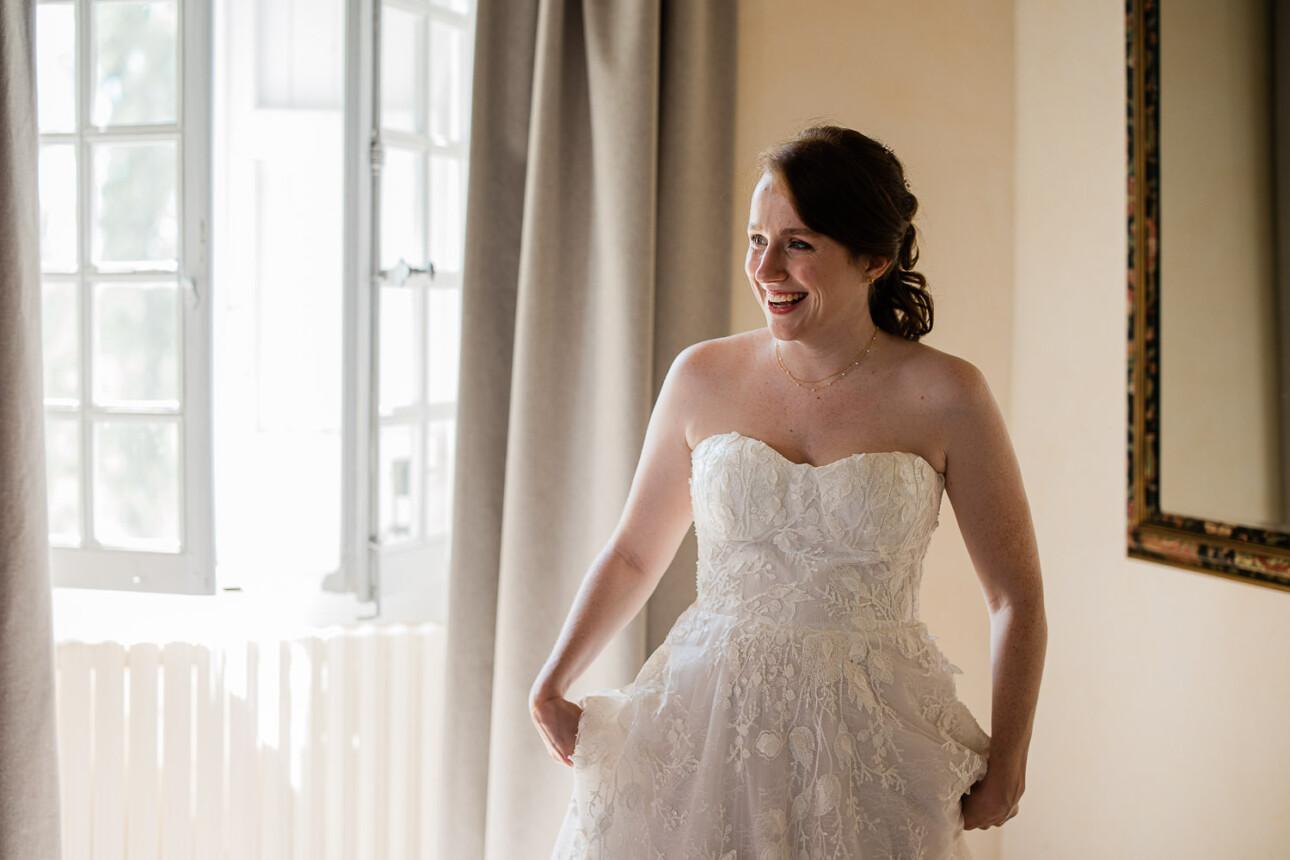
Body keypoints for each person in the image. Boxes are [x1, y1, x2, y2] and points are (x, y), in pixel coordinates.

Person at [530, 125, 1046, 859]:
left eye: (798, 243)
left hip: (873, 745)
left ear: (875, 257)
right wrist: (552, 680)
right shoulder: (701, 377)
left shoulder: (948, 394)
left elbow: (1015, 597)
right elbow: (634, 555)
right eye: (756, 239)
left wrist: (1012, 760)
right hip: (704, 731)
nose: (765, 267)